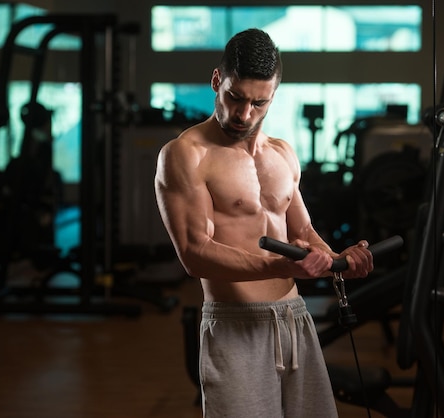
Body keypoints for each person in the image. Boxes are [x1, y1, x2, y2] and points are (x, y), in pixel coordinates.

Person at [155, 28, 374, 418]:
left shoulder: (283, 153)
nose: (243, 114)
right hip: (234, 323)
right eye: (235, 98)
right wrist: (282, 265)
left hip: (295, 317)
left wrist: (339, 259)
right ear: (216, 81)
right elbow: (195, 254)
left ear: (273, 95)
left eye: (259, 103)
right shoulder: (185, 155)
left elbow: (303, 232)